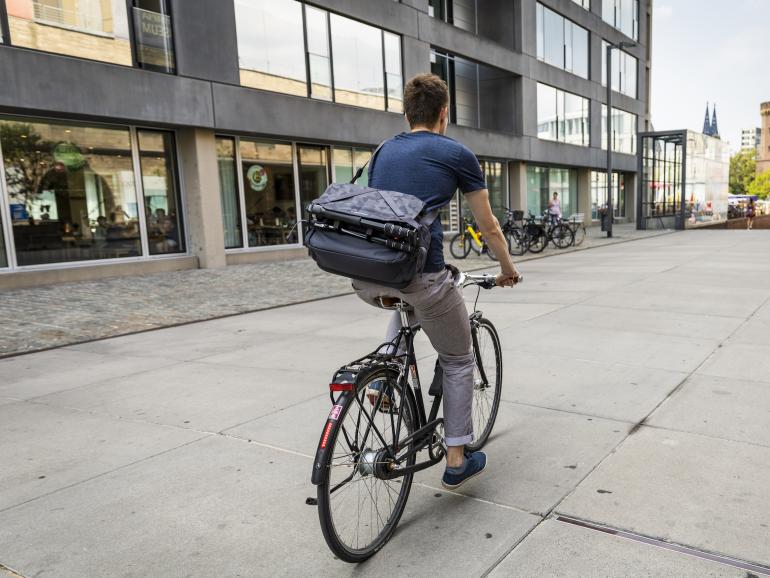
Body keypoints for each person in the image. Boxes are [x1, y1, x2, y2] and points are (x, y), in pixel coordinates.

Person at [352, 73, 521, 490]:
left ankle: (387, 374)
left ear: (407, 113)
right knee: (459, 359)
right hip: (422, 277)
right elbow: (490, 226)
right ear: (444, 113)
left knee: (403, 297)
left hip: (368, 277)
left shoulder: (382, 151)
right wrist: (507, 269)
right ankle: (458, 458)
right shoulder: (457, 153)